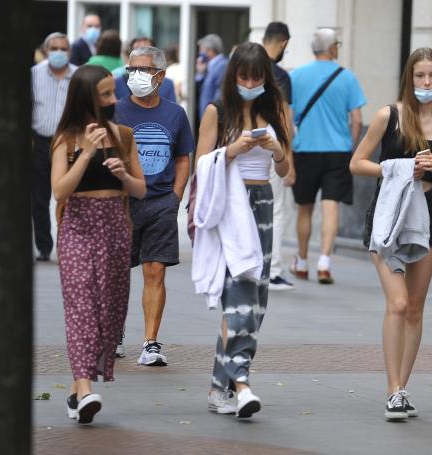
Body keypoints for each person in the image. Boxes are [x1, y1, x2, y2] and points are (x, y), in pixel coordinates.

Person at [350, 47, 432, 420]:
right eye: (420, 76)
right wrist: (396, 168)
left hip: (427, 213)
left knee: (415, 308)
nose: (427, 83)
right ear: (409, 78)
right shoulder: (390, 115)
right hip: (387, 214)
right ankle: (392, 388)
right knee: (397, 303)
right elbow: (357, 163)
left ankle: (401, 389)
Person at [194, 42, 290, 418]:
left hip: (262, 205)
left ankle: (220, 388)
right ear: (233, 76)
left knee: (255, 304)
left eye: (257, 76)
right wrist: (231, 150)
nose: (250, 82)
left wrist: (276, 149)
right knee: (239, 304)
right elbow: (202, 165)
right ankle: (243, 383)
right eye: (243, 75)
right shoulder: (217, 112)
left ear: (266, 77)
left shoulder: (274, 111)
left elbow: (284, 170)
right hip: (231, 211)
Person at [51, 64, 146, 424]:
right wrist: (87, 153)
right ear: (86, 99)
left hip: (115, 229)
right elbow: (59, 190)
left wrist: (124, 175)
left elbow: (141, 189)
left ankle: (78, 396)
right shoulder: (66, 139)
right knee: (81, 309)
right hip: (77, 228)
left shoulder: (123, 134)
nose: (113, 100)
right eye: (105, 94)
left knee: (108, 310)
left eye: (112, 93)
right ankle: (86, 386)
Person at [114, 46, 193, 365]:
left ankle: (150, 343)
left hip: (161, 201)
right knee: (117, 274)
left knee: (155, 270)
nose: (134, 75)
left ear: (160, 76)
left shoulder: (175, 114)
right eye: (130, 69)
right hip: (123, 204)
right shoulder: (115, 111)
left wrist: (175, 196)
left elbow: (184, 158)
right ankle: (114, 335)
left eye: (142, 70)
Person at [290, 28, 366, 284]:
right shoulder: (347, 78)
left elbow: (288, 118)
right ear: (332, 47)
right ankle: (324, 262)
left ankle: (301, 261)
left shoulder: (296, 76)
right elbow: (357, 120)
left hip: (305, 149)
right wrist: (350, 146)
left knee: (305, 207)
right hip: (338, 151)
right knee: (331, 205)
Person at [31, 32, 78, 261]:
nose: (59, 52)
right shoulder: (34, 74)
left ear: (69, 51)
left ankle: (67, 244)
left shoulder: (78, 76)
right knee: (39, 197)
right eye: (54, 48)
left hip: (70, 141)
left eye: (63, 48)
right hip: (41, 141)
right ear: (46, 49)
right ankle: (43, 246)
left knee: (68, 196)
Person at [262, 21, 295, 291]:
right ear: (283, 42)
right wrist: (289, 161)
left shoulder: (243, 65)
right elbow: (285, 121)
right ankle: (271, 270)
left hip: (242, 146)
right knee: (277, 210)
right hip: (272, 149)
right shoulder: (280, 75)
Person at [114, 37, 176, 102]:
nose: (142, 56)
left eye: (148, 51)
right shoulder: (117, 83)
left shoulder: (167, 84)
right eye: (138, 51)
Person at [195, 33, 228, 118]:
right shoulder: (210, 65)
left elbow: (220, 95)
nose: (199, 53)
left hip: (214, 117)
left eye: (201, 50)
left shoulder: (222, 65)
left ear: (209, 50)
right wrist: (200, 73)